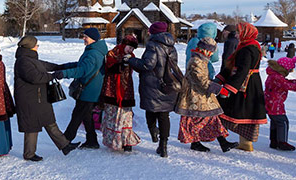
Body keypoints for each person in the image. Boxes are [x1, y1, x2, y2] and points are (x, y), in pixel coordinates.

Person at [14, 35, 79, 161]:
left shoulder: (30, 58)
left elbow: (47, 66)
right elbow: (35, 77)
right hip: (29, 100)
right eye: (36, 45)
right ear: (31, 47)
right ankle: (29, 154)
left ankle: (65, 145)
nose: (38, 47)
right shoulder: (23, 61)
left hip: (38, 98)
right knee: (31, 126)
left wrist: (64, 67)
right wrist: (53, 76)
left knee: (49, 121)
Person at [177, 37, 237, 153]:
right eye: (210, 51)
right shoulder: (196, 61)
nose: (211, 54)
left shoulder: (201, 60)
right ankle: (197, 143)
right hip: (194, 96)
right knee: (195, 119)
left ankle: (222, 143)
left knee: (211, 117)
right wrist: (220, 89)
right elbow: (202, 81)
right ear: (205, 50)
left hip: (201, 95)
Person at [128, 22, 178, 158]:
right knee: (163, 116)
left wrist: (131, 61)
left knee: (151, 110)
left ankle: (153, 132)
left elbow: (147, 65)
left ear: (153, 32)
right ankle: (163, 146)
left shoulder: (153, 45)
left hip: (152, 84)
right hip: (167, 85)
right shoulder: (172, 47)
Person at [215, 22, 267, 152]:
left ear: (246, 33)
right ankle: (245, 142)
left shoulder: (247, 49)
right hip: (250, 82)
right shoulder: (250, 46)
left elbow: (242, 70)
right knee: (247, 111)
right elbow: (233, 67)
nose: (237, 35)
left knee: (234, 108)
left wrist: (229, 88)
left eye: (239, 32)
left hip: (245, 84)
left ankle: (238, 141)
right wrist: (220, 79)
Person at [54, 27, 108, 150]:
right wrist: (63, 67)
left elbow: (82, 70)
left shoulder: (93, 54)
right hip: (90, 90)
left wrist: (64, 74)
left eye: (86, 37)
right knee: (86, 115)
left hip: (89, 91)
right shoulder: (93, 50)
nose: (84, 38)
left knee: (77, 115)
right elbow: (80, 64)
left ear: (93, 39)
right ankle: (92, 141)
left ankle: (65, 141)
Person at [100, 34, 141, 152]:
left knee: (126, 115)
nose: (131, 50)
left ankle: (127, 141)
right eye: (130, 47)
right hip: (112, 89)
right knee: (112, 114)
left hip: (126, 89)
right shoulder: (112, 53)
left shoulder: (131, 56)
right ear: (124, 44)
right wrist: (121, 64)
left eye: (133, 49)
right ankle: (113, 140)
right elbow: (109, 68)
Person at [264, 57, 296, 151]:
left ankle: (274, 141)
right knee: (283, 122)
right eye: (289, 70)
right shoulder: (277, 77)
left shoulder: (274, 75)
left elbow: (286, 82)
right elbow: (287, 85)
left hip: (271, 102)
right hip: (275, 104)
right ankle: (282, 142)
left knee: (275, 122)